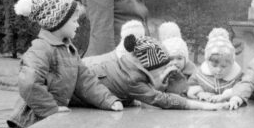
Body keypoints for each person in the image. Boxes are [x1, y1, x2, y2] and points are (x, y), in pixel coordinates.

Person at [6, 0, 122, 128]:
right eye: (74, 21)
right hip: (31, 120)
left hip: (49, 117)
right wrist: (51, 108)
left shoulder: (69, 50)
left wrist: (108, 100)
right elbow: (29, 83)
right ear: (58, 22)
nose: (77, 25)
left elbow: (85, 81)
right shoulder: (41, 48)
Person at [83, 34, 222, 111]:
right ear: (149, 67)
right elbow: (161, 99)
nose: (164, 69)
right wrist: (203, 106)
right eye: (161, 67)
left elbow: (115, 84)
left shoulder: (125, 62)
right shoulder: (132, 79)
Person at [188, 28, 243, 102]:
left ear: (232, 64)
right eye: (214, 66)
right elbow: (190, 85)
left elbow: (243, 89)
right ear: (207, 62)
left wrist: (229, 96)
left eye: (223, 66)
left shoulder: (237, 77)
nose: (219, 70)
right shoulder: (199, 74)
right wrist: (199, 93)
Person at [157, 22, 193, 95]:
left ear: (185, 60)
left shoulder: (191, 71)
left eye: (179, 58)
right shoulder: (160, 71)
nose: (175, 62)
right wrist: (164, 75)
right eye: (171, 59)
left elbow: (195, 84)